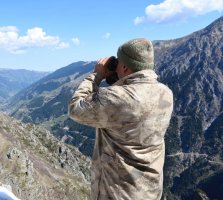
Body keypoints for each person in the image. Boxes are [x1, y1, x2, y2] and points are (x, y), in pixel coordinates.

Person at [68, 38, 173, 200]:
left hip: (118, 193)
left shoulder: (116, 98)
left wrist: (96, 76)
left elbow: (75, 109)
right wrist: (118, 79)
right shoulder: (166, 93)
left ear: (124, 67)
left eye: (118, 63)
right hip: (149, 190)